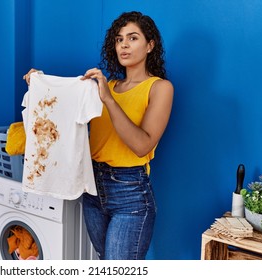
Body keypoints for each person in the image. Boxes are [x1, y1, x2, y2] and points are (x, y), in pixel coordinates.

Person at [23, 11, 173, 260]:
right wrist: (40, 84)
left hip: (130, 193)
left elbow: (142, 145)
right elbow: (62, 110)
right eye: (118, 39)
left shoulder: (159, 88)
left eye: (133, 38)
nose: (124, 44)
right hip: (92, 188)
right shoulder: (107, 86)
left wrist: (108, 99)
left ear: (150, 45)